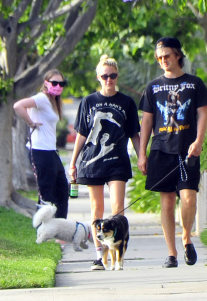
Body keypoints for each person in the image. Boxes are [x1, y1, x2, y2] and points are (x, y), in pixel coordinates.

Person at [138, 37, 207, 268]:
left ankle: (186, 237)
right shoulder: (153, 87)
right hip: (161, 149)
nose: (163, 61)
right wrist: (142, 153)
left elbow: (202, 114)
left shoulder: (194, 83)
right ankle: (171, 254)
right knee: (167, 202)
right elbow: (147, 121)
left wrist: (199, 141)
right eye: (159, 58)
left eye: (167, 56)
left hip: (188, 150)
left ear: (178, 55)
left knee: (189, 198)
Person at [68, 55, 140, 270]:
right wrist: (73, 162)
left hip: (118, 161)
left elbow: (134, 134)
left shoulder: (126, 102)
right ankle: (100, 256)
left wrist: (142, 156)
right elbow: (81, 133)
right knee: (96, 207)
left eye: (113, 76)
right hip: (93, 161)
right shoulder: (89, 102)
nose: (109, 79)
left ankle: (117, 254)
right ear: (98, 77)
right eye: (105, 76)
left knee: (118, 209)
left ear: (117, 76)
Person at [14, 69, 69, 219]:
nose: (58, 86)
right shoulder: (42, 98)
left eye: (61, 83)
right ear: (46, 83)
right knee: (47, 194)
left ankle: (59, 229)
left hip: (51, 151)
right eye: (54, 83)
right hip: (40, 152)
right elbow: (18, 106)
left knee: (63, 190)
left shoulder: (54, 102)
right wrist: (30, 123)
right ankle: (43, 231)